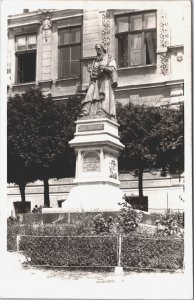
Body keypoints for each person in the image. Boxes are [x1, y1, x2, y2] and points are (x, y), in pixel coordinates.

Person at [79, 44, 118, 118]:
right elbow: (92, 71)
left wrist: (104, 68)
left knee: (102, 95)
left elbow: (113, 69)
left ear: (103, 49)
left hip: (105, 80)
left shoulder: (109, 58)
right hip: (95, 80)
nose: (97, 51)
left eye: (99, 49)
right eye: (96, 49)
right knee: (89, 93)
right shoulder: (95, 60)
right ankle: (85, 111)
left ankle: (102, 110)